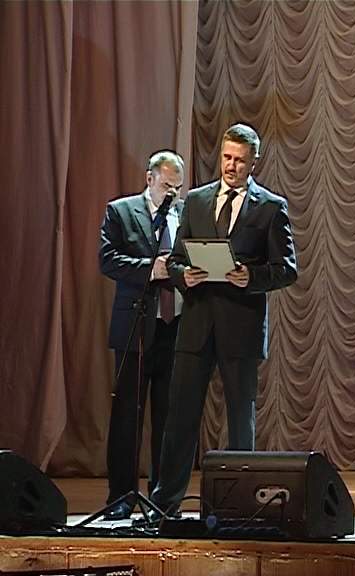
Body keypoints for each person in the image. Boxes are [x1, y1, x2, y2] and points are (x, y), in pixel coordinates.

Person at [150, 123, 298, 516]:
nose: (231, 166)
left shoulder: (270, 207)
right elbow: (176, 259)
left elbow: (287, 268)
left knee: (239, 420)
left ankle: (239, 505)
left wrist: (253, 277)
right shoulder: (197, 201)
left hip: (241, 327)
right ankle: (166, 503)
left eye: (240, 161)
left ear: (254, 163)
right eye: (227, 158)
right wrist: (184, 276)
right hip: (196, 325)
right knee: (180, 418)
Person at [99, 151, 185, 520]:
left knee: (168, 418)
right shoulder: (121, 211)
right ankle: (121, 495)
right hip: (135, 328)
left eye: (177, 188)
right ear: (149, 179)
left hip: (174, 328)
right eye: (166, 186)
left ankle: (162, 498)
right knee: (127, 417)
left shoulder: (184, 215)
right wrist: (151, 270)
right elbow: (108, 260)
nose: (172, 195)